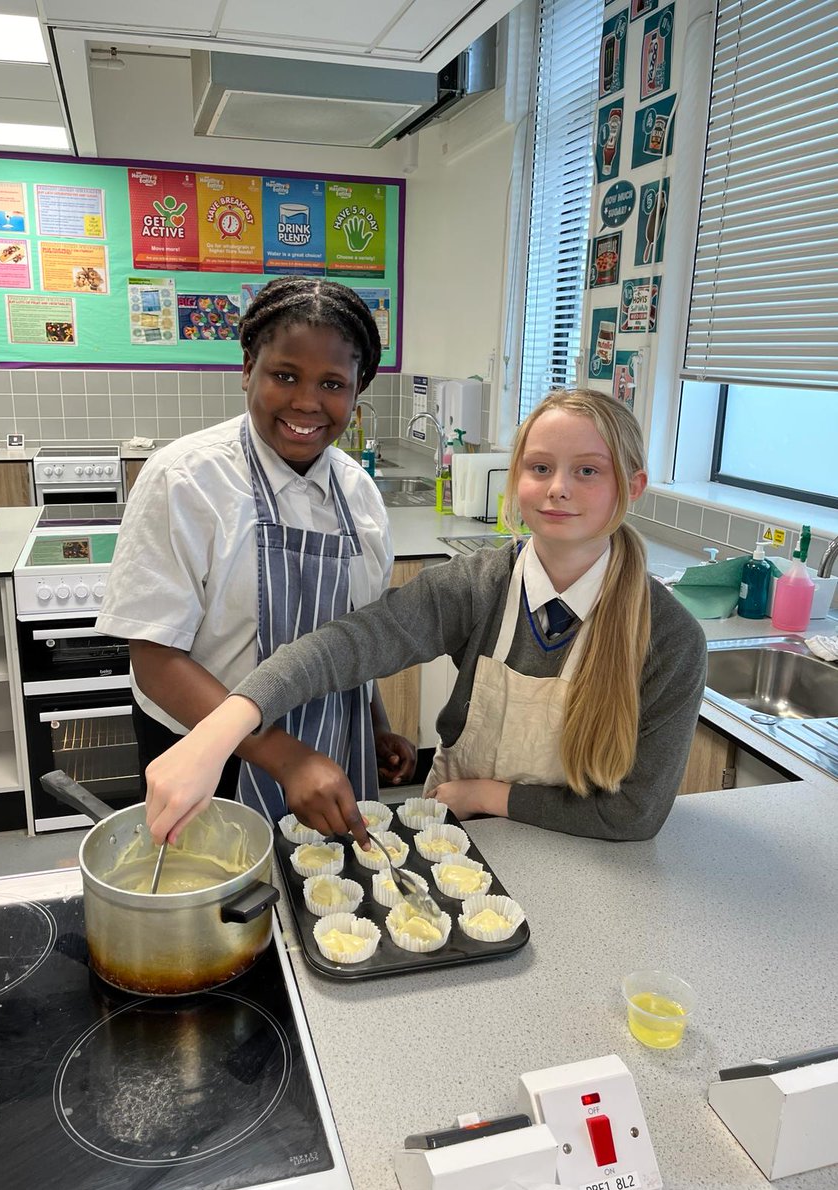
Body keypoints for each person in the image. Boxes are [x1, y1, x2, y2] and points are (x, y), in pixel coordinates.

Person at [143, 388, 707, 848]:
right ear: (516, 479)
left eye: (588, 471)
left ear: (631, 487)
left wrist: (490, 795)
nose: (559, 488)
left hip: (586, 857)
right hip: (460, 841)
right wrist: (217, 732)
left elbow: (634, 814)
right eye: (540, 467)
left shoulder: (669, 637)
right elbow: (346, 645)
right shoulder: (478, 587)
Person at [95, 276, 417, 828]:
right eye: (284, 375)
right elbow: (154, 662)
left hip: (330, 751)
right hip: (207, 752)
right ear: (248, 369)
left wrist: (373, 723)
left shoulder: (359, 496)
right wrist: (286, 759)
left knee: (330, 907)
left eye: (333, 383)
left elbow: (357, 634)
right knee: (223, 903)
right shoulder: (186, 480)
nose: (307, 402)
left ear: (357, 391)